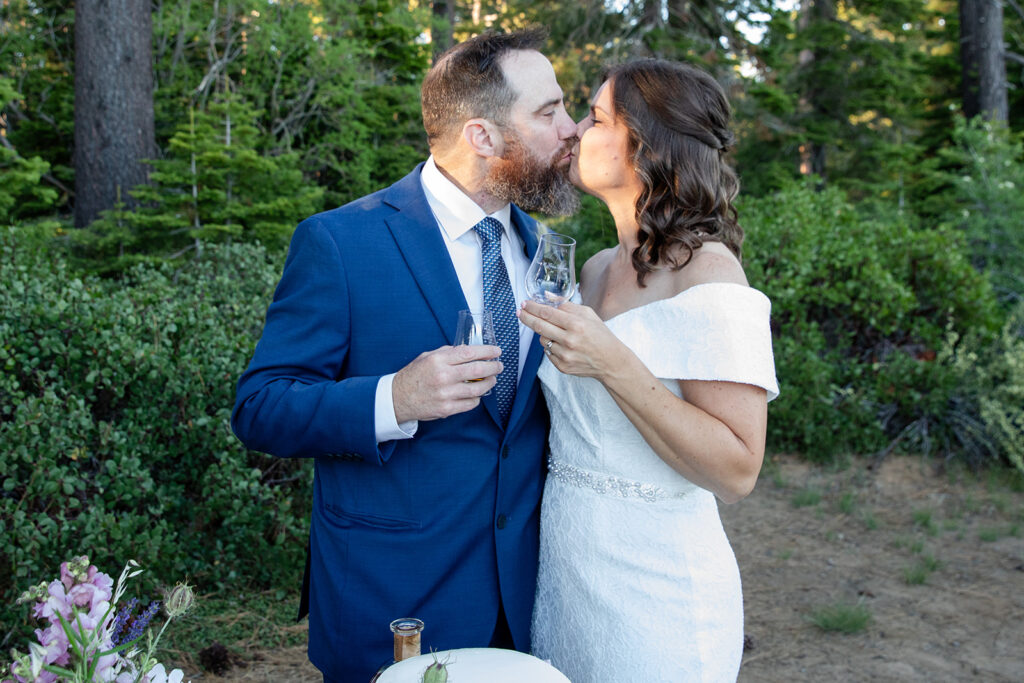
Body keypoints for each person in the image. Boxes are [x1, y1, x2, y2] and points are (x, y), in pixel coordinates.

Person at [231, 29, 578, 683]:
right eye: (548, 111)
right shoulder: (340, 242)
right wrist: (393, 397)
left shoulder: (541, 249)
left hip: (524, 605)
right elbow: (259, 406)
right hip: (394, 605)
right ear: (482, 136)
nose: (570, 129)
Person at [518, 59, 779, 681]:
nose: (577, 129)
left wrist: (613, 362)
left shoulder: (709, 273)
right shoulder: (593, 269)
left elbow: (738, 469)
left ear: (651, 146)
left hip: (658, 590)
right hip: (567, 572)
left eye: (598, 117)